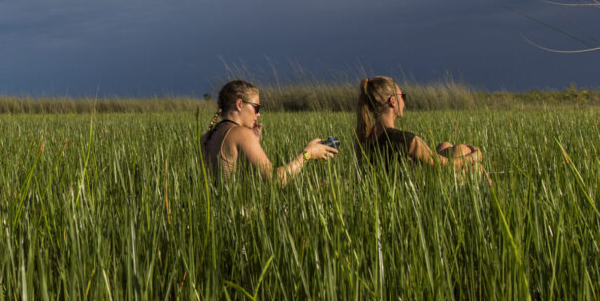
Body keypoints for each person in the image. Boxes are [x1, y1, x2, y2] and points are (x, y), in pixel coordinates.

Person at [200, 79, 336, 185]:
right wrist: (307, 154)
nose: (258, 114)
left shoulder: (207, 136)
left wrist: (254, 141)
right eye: (256, 108)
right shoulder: (241, 134)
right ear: (240, 104)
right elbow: (275, 180)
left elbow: (230, 177)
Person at [355, 76, 485, 173]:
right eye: (402, 96)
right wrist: (474, 156)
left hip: (393, 195)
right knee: (463, 152)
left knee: (444, 146)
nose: (404, 101)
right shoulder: (402, 139)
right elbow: (443, 166)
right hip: (412, 195)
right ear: (393, 101)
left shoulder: (366, 137)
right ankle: (494, 198)